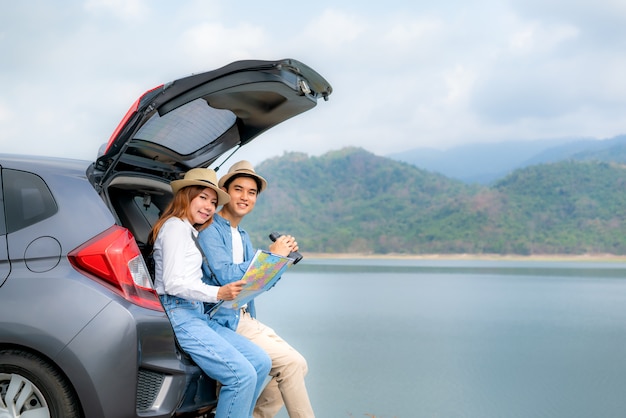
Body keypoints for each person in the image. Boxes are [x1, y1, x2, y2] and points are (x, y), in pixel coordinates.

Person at [148, 167, 271, 418]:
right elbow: (172, 283)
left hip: (197, 314)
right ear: (186, 195)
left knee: (261, 362)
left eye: (214, 202)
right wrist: (218, 293)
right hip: (180, 313)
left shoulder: (189, 229)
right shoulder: (174, 228)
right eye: (203, 197)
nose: (208, 206)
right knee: (241, 376)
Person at [198, 161, 315, 418]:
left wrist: (282, 260)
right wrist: (270, 257)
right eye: (238, 189)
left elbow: (261, 282)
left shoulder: (243, 235)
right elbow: (226, 275)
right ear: (225, 193)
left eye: (251, 193)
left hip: (245, 316)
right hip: (222, 318)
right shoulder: (210, 230)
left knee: (299, 365)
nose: (245, 197)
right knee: (292, 363)